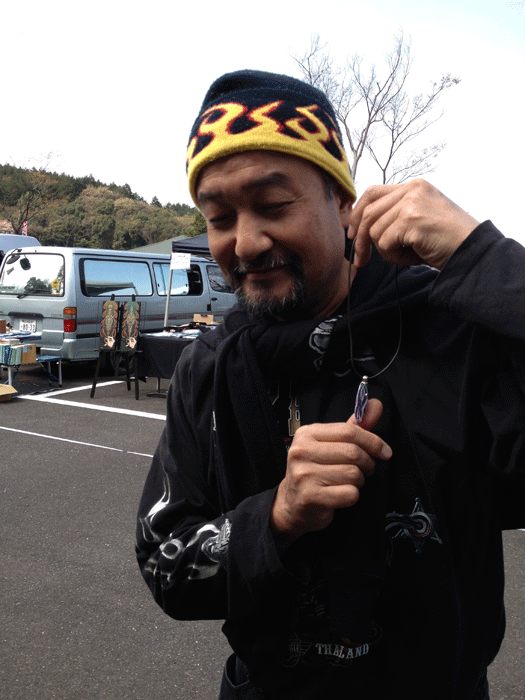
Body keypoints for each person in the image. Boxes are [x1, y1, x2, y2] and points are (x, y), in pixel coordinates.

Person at [136, 69, 525, 700]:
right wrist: (277, 517)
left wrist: (483, 257)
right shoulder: (211, 366)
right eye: (220, 217)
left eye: (272, 205)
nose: (246, 242)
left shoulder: (447, 332)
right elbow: (164, 563)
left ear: (343, 203)